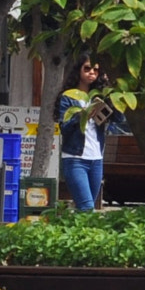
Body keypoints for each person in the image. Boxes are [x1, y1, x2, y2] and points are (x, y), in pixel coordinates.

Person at [56, 59, 112, 211]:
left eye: (95, 70)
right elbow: (64, 128)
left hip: (96, 159)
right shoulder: (68, 97)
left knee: (85, 209)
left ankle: (76, 233)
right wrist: (82, 116)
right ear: (78, 70)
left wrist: (111, 95)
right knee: (87, 207)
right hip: (75, 159)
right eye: (87, 68)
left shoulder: (99, 96)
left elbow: (119, 119)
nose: (92, 73)